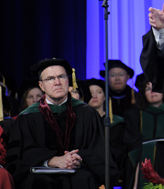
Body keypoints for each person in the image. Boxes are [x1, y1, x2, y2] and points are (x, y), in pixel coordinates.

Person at [6, 58, 118, 189]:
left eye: (61, 76)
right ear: (41, 85)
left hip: (79, 174)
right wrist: (52, 161)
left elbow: (100, 153)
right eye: (50, 79)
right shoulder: (28, 117)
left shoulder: (88, 114)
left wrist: (78, 159)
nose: (57, 82)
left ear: (68, 81)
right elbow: (19, 158)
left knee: (84, 179)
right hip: (40, 175)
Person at [124, 74, 164, 188]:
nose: (152, 92)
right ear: (143, 94)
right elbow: (131, 140)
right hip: (139, 154)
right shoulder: (134, 114)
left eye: (156, 88)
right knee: (145, 151)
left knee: (158, 151)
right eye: (148, 89)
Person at [86, 78, 127, 186]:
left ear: (104, 97)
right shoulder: (82, 123)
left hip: (111, 165)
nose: (94, 96)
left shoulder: (117, 123)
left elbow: (120, 151)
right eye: (90, 93)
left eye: (99, 92)